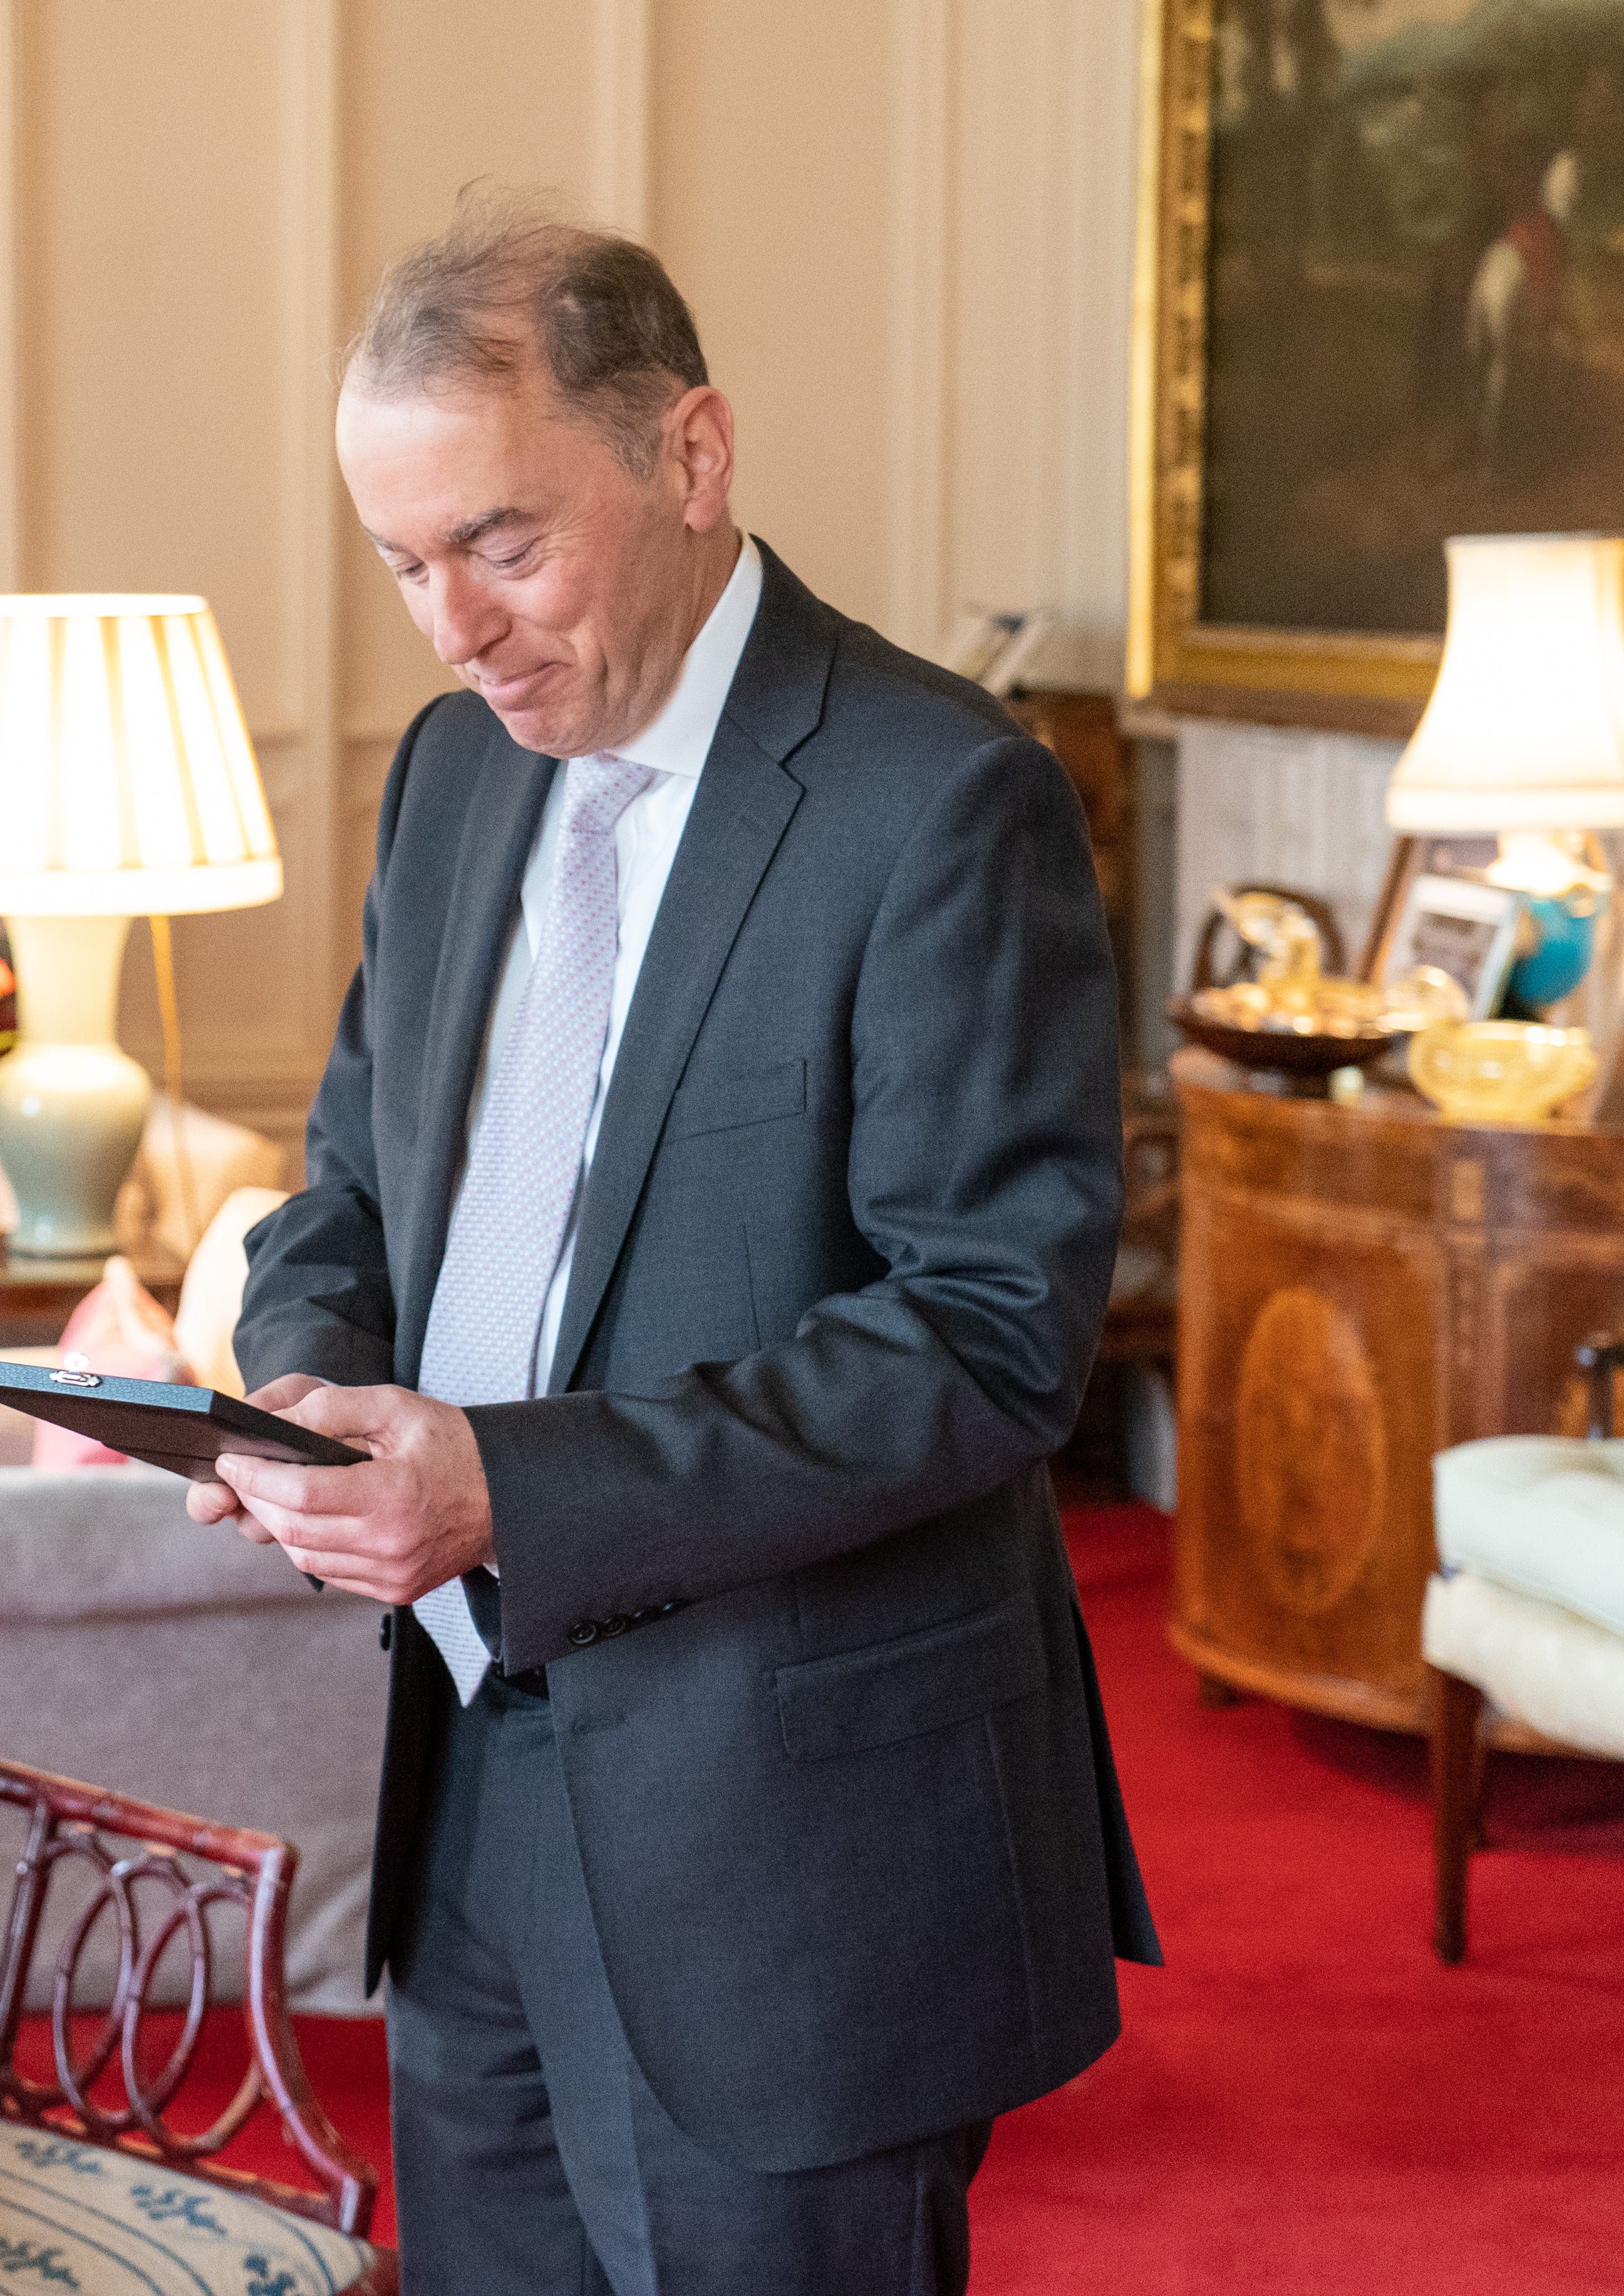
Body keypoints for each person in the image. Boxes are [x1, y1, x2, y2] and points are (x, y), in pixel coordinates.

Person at [190, 201, 1159, 2294]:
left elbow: (988, 1337)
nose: (450, 623)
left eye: (502, 541)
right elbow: (344, 1180)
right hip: (462, 1768)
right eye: (399, 562)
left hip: (781, 1820)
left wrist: (501, 1487)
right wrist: (293, 1387)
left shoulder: (935, 798)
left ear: (688, 460)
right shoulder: (454, 776)